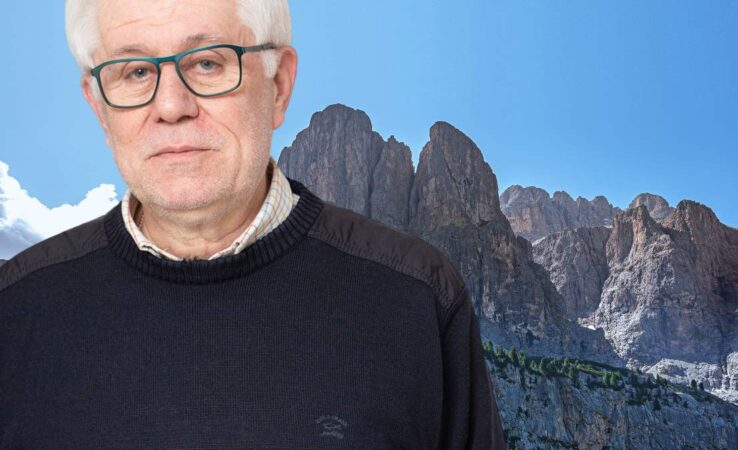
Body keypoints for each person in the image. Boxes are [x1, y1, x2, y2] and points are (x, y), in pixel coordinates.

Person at [0, 0, 507, 448]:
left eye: (207, 62)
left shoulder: (418, 297)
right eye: (134, 72)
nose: (171, 107)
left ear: (280, 85)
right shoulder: (15, 310)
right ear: (98, 105)